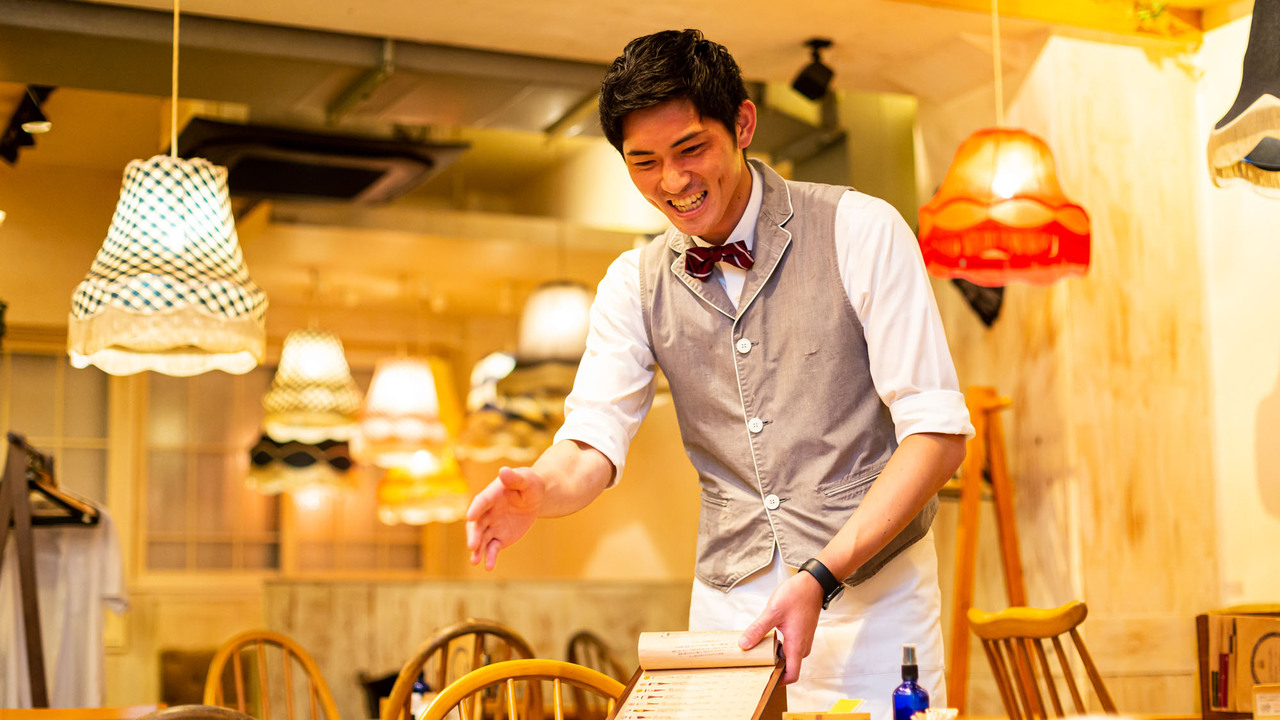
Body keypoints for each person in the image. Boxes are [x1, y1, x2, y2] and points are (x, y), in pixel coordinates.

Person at [466, 29, 972, 718]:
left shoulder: (860, 230)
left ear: (743, 124)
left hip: (872, 609)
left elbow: (936, 436)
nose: (672, 182)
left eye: (690, 149)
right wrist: (541, 491)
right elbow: (591, 439)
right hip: (730, 618)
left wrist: (821, 575)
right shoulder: (633, 283)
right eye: (644, 162)